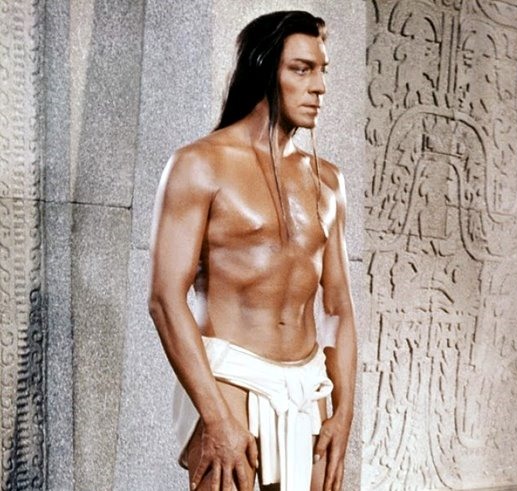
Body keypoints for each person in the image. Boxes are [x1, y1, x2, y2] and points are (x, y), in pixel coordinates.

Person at [148, 11, 355, 491]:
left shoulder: (327, 180)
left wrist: (344, 412)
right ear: (264, 70)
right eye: (302, 70)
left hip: (307, 383)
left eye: (322, 70)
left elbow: (338, 307)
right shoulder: (200, 164)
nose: (319, 86)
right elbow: (164, 298)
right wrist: (215, 416)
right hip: (231, 375)